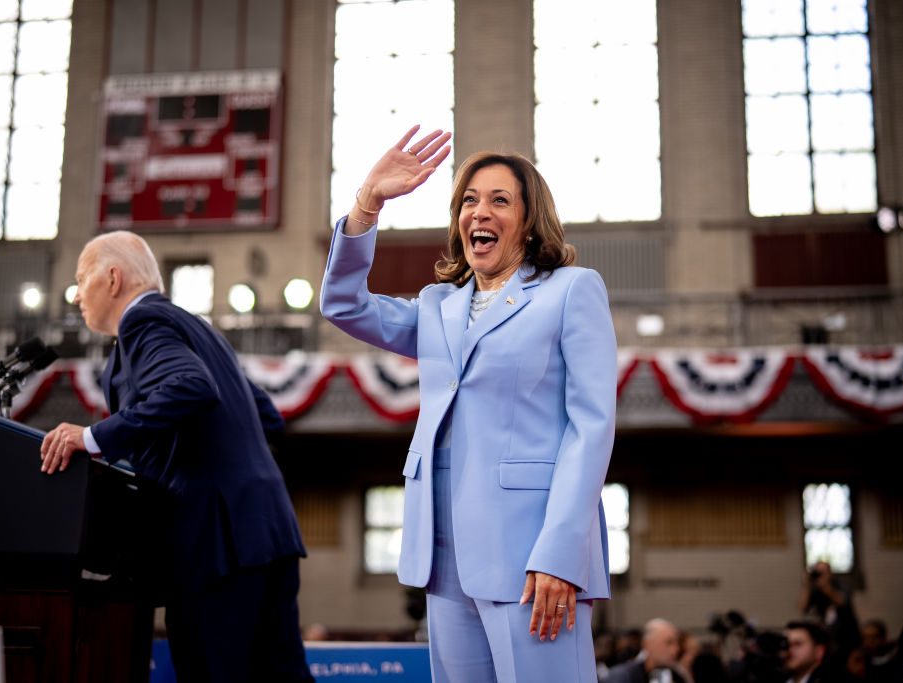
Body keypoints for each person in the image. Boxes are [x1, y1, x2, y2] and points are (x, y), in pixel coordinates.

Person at [320, 125, 617, 682]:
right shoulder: (439, 306)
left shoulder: (572, 291)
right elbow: (342, 304)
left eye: (499, 200)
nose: (480, 212)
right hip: (444, 558)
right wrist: (367, 203)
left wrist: (560, 554)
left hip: (532, 558)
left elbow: (591, 429)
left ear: (529, 221)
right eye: (469, 201)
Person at [39, 231, 313, 683]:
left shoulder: (141, 322)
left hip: (216, 545)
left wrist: (92, 437)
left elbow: (191, 387)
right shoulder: (199, 329)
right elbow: (265, 414)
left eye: (82, 278)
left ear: (113, 278)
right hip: (267, 529)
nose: (76, 294)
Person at [601, 619, 688, 683]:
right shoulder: (623, 676)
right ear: (647, 644)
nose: (676, 649)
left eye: (677, 643)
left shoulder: (676, 676)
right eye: (669, 642)